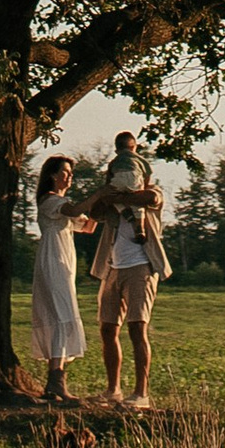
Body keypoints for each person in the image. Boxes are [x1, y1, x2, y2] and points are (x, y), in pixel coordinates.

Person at [83, 130, 167, 412]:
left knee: (137, 328)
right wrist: (106, 194)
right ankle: (113, 390)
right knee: (108, 328)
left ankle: (140, 393)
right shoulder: (111, 200)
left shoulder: (152, 193)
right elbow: (94, 213)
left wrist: (123, 195)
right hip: (112, 268)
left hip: (140, 267)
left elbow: (150, 199)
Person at [28, 154, 94, 404]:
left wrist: (102, 206)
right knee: (60, 315)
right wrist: (98, 195)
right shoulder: (50, 201)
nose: (69, 177)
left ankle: (56, 378)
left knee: (64, 314)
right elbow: (75, 210)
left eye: (70, 173)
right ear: (53, 175)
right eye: (65, 172)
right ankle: (56, 380)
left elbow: (87, 226)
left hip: (64, 260)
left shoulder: (63, 204)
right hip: (53, 258)